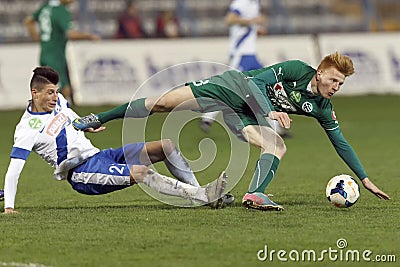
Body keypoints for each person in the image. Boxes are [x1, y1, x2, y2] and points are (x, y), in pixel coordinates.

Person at [73, 52, 391, 211]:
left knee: (276, 145)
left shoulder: (321, 107)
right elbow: (255, 83)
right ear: (320, 73)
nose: (336, 87)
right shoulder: (295, 69)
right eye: (333, 80)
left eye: (341, 83)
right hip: (229, 89)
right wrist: (270, 110)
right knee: (162, 104)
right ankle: (98, 117)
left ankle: (255, 195)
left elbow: (340, 141)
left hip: (244, 114)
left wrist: (364, 178)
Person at [2, 66, 228, 214]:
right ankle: (203, 195)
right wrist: (9, 208)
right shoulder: (26, 128)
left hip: (100, 155)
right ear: (35, 93)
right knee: (140, 172)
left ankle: (202, 194)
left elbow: (68, 119)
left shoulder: (60, 101)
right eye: (49, 92)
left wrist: (86, 125)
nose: (55, 96)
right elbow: (14, 169)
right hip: (82, 173)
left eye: (55, 91)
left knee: (166, 146)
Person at [199, 0, 288, 137]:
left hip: (251, 55)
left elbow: (247, 27)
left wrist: (257, 28)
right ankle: (207, 117)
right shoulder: (242, 2)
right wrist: (253, 20)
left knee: (267, 86)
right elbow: (230, 19)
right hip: (241, 54)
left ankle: (276, 128)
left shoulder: (255, 3)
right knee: (229, 87)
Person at [24, 0, 101, 104]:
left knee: (50, 86)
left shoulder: (45, 7)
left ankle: (52, 113)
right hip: (55, 55)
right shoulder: (61, 11)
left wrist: (37, 38)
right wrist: (89, 36)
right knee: (63, 88)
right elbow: (70, 34)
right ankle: (60, 115)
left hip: (45, 53)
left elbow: (28, 21)